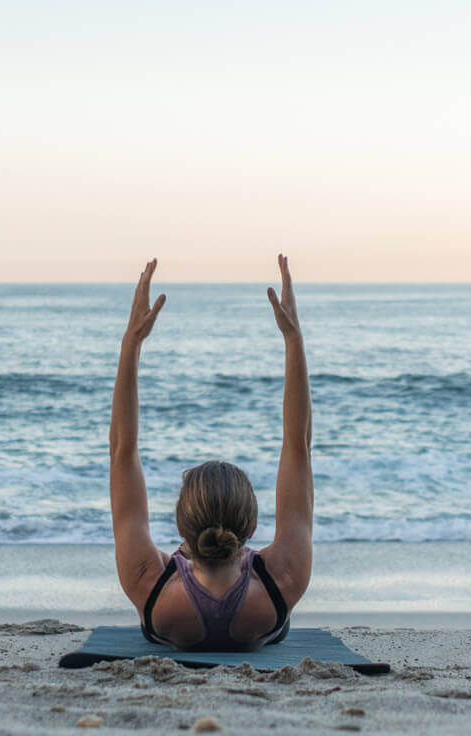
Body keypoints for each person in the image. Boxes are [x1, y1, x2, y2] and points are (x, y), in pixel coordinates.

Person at [109, 254, 312, 650]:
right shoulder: (282, 581)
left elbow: (121, 450)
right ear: (251, 528)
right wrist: (293, 339)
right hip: (262, 612)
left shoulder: (149, 585)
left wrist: (131, 341)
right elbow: (298, 447)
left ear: (182, 530)